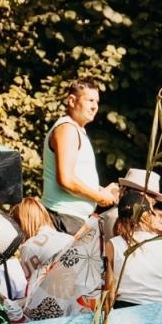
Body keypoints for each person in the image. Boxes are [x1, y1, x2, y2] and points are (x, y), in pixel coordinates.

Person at [42, 79, 120, 235]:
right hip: (63, 218)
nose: (94, 106)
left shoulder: (77, 131)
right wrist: (100, 197)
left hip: (72, 219)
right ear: (72, 101)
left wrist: (103, 191)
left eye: (96, 101)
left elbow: (77, 179)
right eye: (90, 100)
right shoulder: (67, 129)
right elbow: (66, 179)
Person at [108, 183, 162, 308]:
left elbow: (109, 290)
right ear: (150, 215)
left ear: (120, 219)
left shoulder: (114, 244)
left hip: (128, 308)